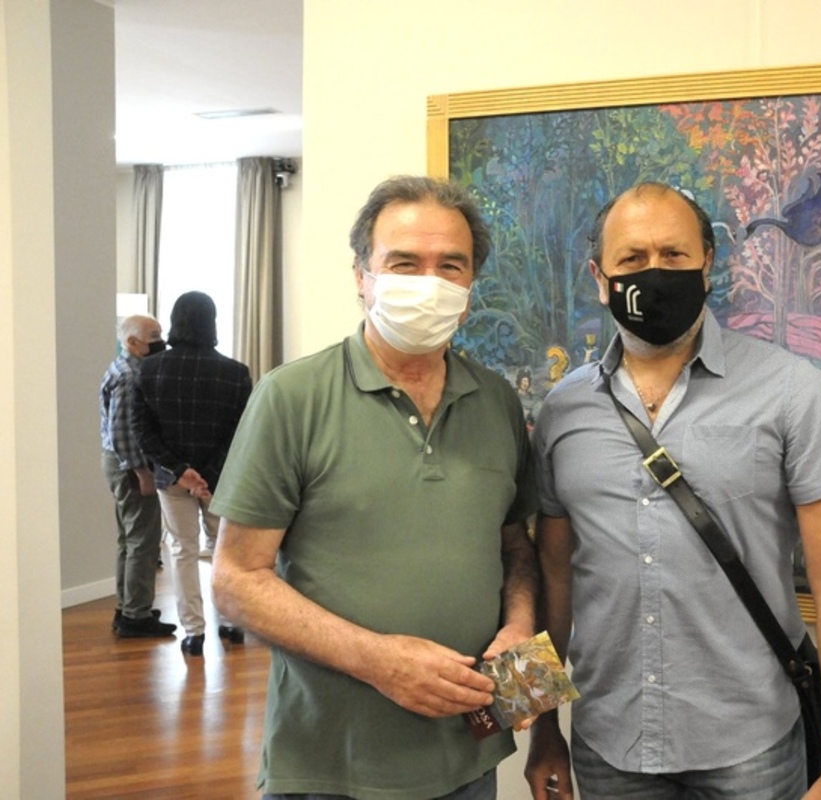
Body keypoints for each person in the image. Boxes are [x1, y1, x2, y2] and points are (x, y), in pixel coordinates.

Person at [525, 183, 821, 799]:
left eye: (674, 255)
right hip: (609, 744)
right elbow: (552, 579)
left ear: (708, 265)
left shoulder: (791, 390)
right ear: (600, 278)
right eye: (632, 259)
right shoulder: (563, 409)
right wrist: (543, 731)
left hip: (751, 747)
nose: (655, 273)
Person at [209, 175, 540, 799]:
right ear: (362, 275)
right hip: (331, 763)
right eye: (404, 263)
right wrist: (379, 661)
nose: (428, 283)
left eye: (451, 265)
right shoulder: (291, 398)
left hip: (468, 757)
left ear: (470, 286)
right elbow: (235, 580)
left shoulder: (497, 400)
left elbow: (514, 546)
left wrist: (520, 628)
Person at [133, 291, 252, 656]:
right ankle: (230, 623)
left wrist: (181, 471)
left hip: (172, 479)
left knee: (182, 550)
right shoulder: (235, 373)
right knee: (222, 548)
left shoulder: (149, 369)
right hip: (221, 479)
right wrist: (207, 475)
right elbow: (242, 433)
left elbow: (142, 432)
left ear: (175, 321)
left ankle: (193, 632)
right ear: (211, 322)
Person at [100, 313, 177, 638]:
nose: (161, 340)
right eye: (154, 335)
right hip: (130, 467)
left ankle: (128, 607)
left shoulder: (122, 368)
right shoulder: (129, 377)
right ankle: (136, 615)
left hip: (118, 464)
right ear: (132, 342)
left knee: (129, 541)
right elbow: (123, 433)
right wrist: (142, 472)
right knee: (143, 543)